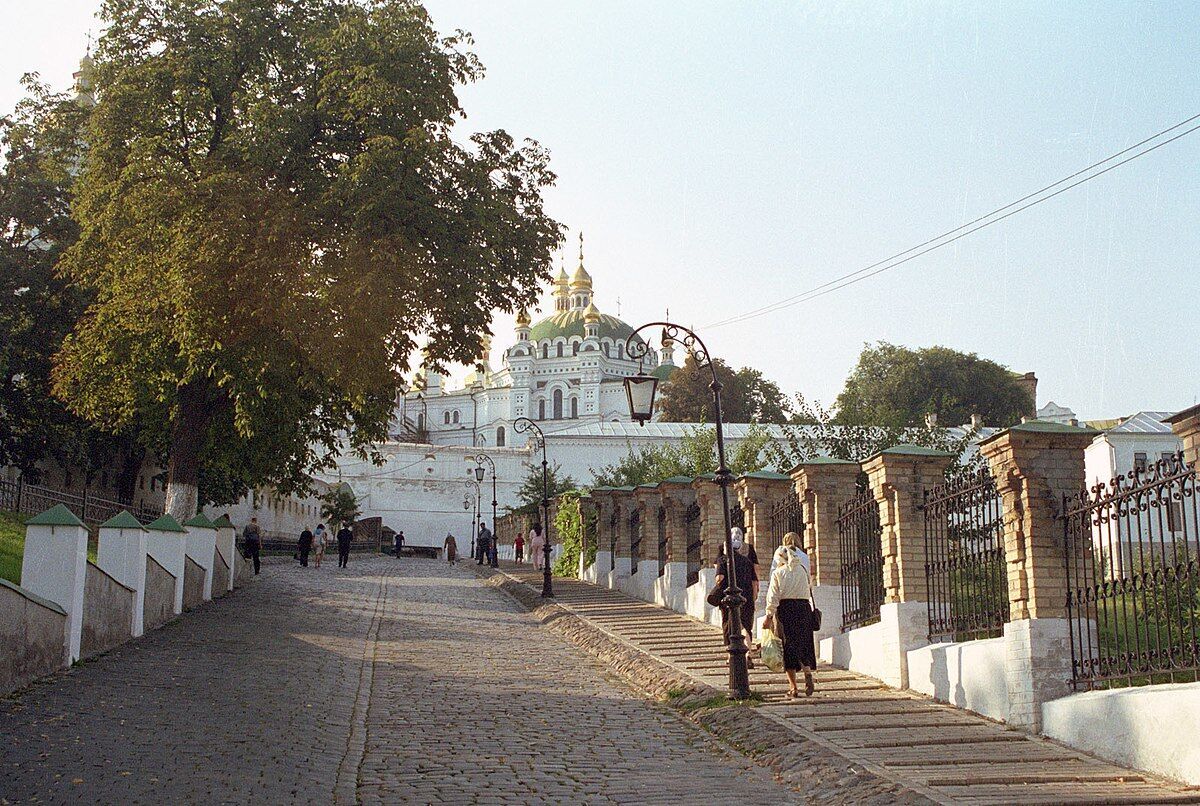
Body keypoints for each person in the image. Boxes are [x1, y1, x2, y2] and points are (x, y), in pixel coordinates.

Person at [763, 532, 818, 698]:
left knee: (788, 646)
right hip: (803, 608)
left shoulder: (778, 573)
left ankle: (793, 687)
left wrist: (768, 616)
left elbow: (773, 597)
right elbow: (809, 589)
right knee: (803, 643)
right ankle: (807, 672)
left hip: (786, 610)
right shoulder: (802, 570)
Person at [714, 528, 759, 667]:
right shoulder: (747, 561)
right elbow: (755, 579)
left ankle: (730, 656)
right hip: (746, 596)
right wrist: (755, 594)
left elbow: (719, 578)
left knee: (730, 625)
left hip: (728, 598)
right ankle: (748, 653)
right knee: (745, 625)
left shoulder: (723, 560)